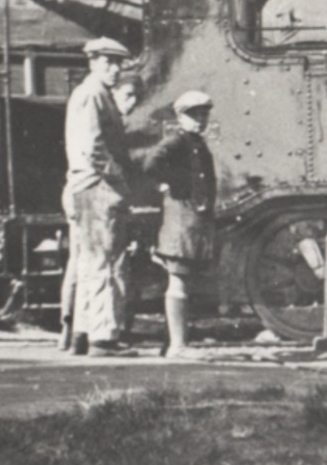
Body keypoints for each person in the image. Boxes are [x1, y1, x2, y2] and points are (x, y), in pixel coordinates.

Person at [60, 37, 138, 356]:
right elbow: (94, 149)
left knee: (90, 262)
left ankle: (81, 334)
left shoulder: (90, 93)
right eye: (108, 61)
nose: (115, 68)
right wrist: (119, 180)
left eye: (118, 63)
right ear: (92, 62)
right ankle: (103, 338)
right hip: (97, 187)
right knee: (103, 263)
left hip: (86, 186)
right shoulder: (94, 94)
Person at [139, 90, 218, 359]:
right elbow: (150, 163)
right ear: (180, 117)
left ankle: (177, 343)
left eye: (203, 114)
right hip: (181, 222)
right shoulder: (177, 141)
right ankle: (178, 346)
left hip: (189, 222)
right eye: (193, 115)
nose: (199, 119)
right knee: (178, 281)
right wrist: (172, 183)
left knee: (182, 281)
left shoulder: (193, 142)